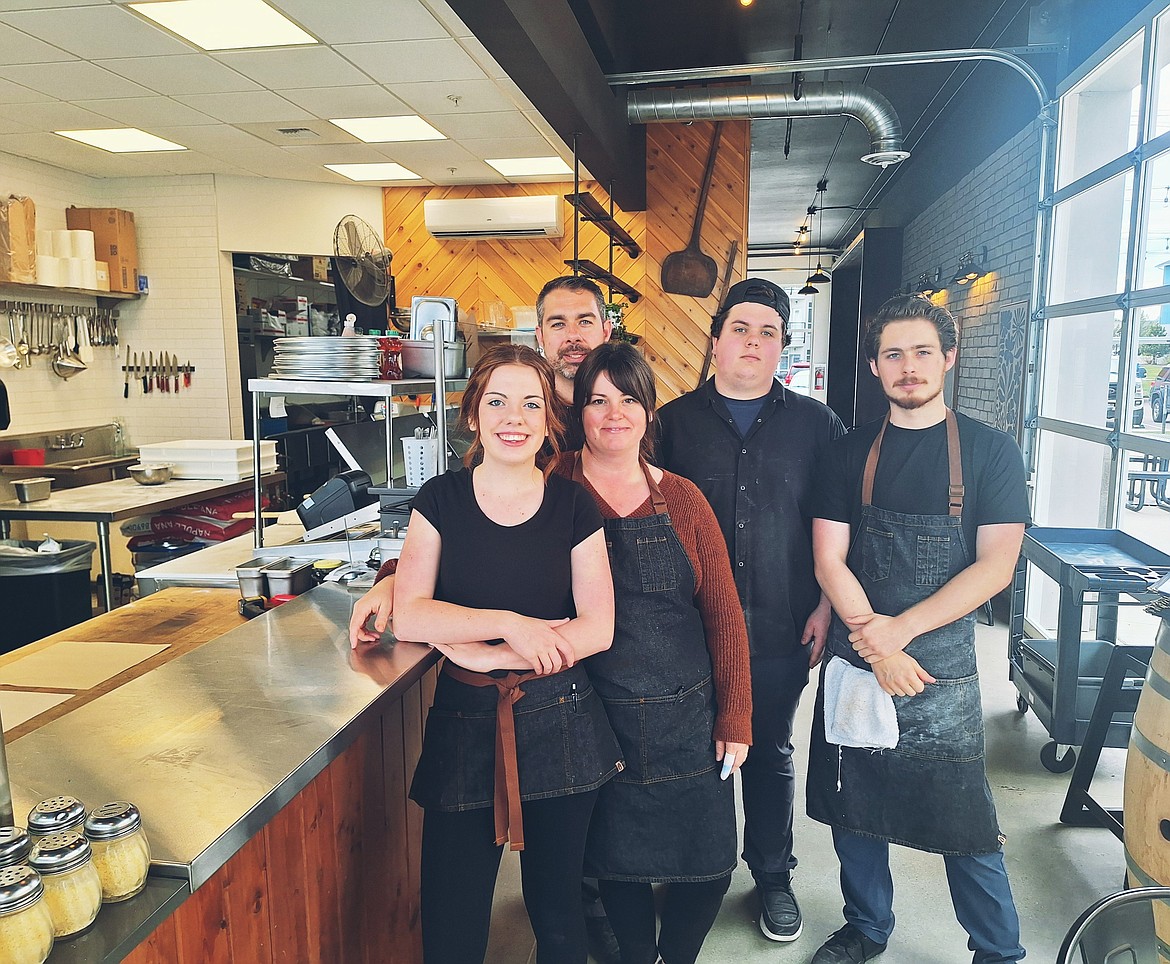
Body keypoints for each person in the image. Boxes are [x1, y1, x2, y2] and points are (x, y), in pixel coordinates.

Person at [350, 343, 622, 964]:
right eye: (497, 401)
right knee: (452, 918)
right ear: (473, 415)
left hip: (561, 719)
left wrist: (481, 653)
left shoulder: (574, 505)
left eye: (531, 403)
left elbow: (599, 626)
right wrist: (513, 627)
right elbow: (414, 612)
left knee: (558, 915)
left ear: (549, 419)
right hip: (465, 723)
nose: (514, 417)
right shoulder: (441, 499)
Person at [806, 295, 1029, 964]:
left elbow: (995, 567)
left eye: (922, 352)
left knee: (965, 821)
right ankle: (868, 928)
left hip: (940, 666)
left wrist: (897, 633)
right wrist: (875, 646)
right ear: (875, 367)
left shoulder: (991, 453)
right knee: (855, 808)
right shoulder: (847, 454)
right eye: (894, 355)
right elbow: (828, 559)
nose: (909, 367)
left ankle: (998, 950)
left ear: (948, 358)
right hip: (859, 655)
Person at [656, 278, 844, 944]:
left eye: (768, 332)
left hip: (782, 624)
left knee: (767, 752)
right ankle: (690, 875)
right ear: (715, 341)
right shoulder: (670, 424)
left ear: (783, 348)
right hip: (688, 632)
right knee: (691, 755)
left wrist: (827, 604)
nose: (753, 343)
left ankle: (772, 877)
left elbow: (837, 524)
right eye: (741, 329)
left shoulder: (817, 425)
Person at [551, 342, 752, 964]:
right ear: (577, 410)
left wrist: (736, 717)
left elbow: (722, 613)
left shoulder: (685, 498)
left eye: (629, 399)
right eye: (597, 400)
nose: (614, 414)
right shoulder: (550, 487)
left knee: (710, 863)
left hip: (686, 716)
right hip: (592, 717)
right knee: (617, 864)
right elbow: (476, 542)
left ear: (649, 410)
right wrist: (397, 575)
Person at [535, 275, 612, 439]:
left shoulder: (629, 416)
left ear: (606, 331)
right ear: (541, 336)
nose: (573, 336)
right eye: (558, 324)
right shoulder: (523, 416)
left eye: (584, 322)